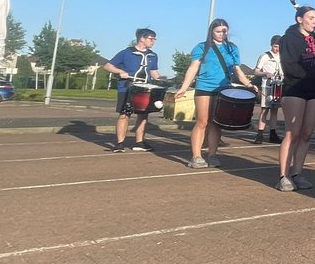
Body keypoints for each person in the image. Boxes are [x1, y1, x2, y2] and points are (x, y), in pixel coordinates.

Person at [175, 18, 258, 169]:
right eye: (218, 31)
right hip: (204, 87)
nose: (221, 34)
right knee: (202, 121)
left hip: (223, 89)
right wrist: (184, 87)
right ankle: (196, 156)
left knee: (216, 123)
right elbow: (193, 68)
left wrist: (249, 84)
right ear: (211, 31)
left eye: (224, 31)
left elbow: (237, 70)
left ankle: (212, 155)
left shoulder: (232, 48)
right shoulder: (202, 47)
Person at [278, 6, 315, 191]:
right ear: (299, 19)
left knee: (307, 133)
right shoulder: (288, 39)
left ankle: (297, 173)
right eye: (311, 17)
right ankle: (283, 176)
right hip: (295, 88)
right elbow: (290, 66)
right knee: (292, 133)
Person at [101, 28, 162, 152]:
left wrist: (164, 79)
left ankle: (139, 142)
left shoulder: (153, 56)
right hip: (127, 88)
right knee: (124, 114)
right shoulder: (126, 52)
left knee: (143, 115)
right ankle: (120, 144)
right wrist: (120, 71)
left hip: (145, 89)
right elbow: (107, 65)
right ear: (142, 38)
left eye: (154, 39)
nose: (153, 41)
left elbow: (154, 73)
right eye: (151, 38)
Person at [252, 36, 284, 144]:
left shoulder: (283, 57)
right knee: (264, 110)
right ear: (271, 45)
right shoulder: (265, 56)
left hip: (278, 86)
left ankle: (273, 134)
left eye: (279, 46)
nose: (277, 48)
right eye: (275, 46)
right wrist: (265, 73)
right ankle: (260, 134)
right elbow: (256, 71)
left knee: (275, 111)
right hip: (267, 85)